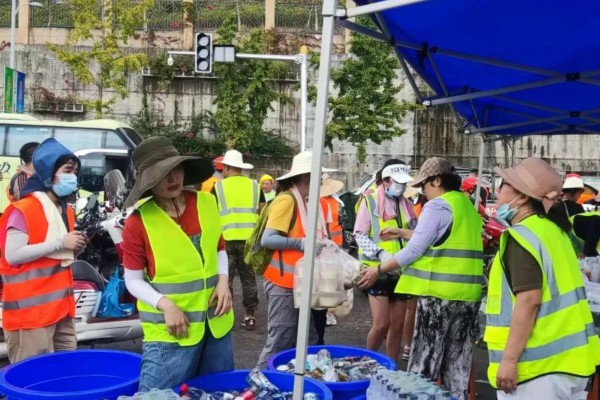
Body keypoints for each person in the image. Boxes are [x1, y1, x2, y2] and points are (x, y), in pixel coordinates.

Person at [359, 157, 483, 400]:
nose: (422, 190)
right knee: (457, 366)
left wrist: (378, 269)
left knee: (424, 367)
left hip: (438, 297)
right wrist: (401, 231)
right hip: (468, 297)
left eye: (424, 184)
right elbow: (439, 235)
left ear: (437, 181)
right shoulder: (466, 206)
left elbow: (415, 249)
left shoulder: (437, 206)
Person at [121, 136, 233, 391]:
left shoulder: (206, 203)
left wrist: (224, 281)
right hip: (171, 329)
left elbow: (219, 249)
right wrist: (166, 305)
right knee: (155, 396)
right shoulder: (138, 222)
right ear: (149, 181)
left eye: (176, 169)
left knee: (217, 393)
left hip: (216, 322)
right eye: (163, 174)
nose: (173, 179)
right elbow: (133, 280)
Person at [484, 158, 600, 399]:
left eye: (503, 185)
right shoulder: (554, 231)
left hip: (536, 370)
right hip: (569, 365)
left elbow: (529, 301)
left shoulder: (522, 237)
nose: (498, 192)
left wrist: (509, 360)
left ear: (522, 197)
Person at [0, 138, 83, 363]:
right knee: (32, 377)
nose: (73, 177)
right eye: (67, 171)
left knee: (66, 372)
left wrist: (76, 245)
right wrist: (61, 243)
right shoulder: (23, 209)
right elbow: (12, 255)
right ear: (48, 173)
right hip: (30, 314)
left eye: (75, 172)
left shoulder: (65, 210)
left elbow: (61, 255)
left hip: (62, 309)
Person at [256, 151, 333, 368]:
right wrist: (302, 243)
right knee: (279, 342)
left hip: (298, 285)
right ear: (306, 177)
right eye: (319, 176)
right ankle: (259, 381)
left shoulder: (306, 202)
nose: (322, 181)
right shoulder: (287, 200)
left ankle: (293, 382)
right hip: (283, 285)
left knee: (307, 340)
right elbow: (268, 239)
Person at [354, 159, 418, 363]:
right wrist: (380, 254)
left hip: (401, 270)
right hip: (376, 270)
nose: (402, 186)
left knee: (397, 325)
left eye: (404, 182)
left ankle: (391, 368)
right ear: (386, 180)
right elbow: (360, 235)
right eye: (398, 182)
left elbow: (417, 233)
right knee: (381, 324)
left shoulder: (406, 204)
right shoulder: (369, 201)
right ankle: (366, 361)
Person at [214, 150, 264, 330]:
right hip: (248, 242)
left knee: (224, 279)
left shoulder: (218, 187)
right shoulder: (255, 186)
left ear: (227, 168)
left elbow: (211, 214)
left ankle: (224, 314)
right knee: (248, 279)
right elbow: (263, 211)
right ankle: (250, 316)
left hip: (224, 241)